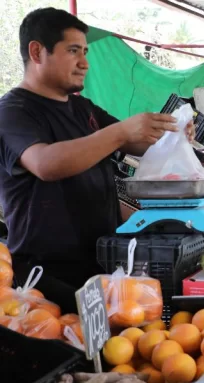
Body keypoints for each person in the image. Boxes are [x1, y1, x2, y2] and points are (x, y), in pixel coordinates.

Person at [0, 8, 193, 313]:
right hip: (48, 276)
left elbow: (138, 140)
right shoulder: (13, 111)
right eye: (73, 51)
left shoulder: (82, 108)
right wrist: (119, 133)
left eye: (85, 52)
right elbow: (45, 164)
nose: (84, 63)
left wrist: (174, 133)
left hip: (103, 259)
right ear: (37, 51)